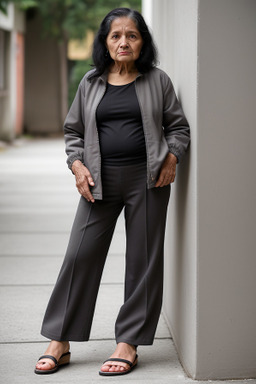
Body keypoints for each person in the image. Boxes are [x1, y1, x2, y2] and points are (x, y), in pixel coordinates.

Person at [34, 7, 190, 376]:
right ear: (105, 43)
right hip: (98, 182)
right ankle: (60, 339)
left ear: (142, 42)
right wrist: (76, 165)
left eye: (132, 35)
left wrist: (172, 157)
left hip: (148, 180)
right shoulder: (90, 83)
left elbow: (178, 128)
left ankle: (128, 343)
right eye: (116, 36)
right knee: (79, 257)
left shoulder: (158, 81)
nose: (124, 42)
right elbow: (73, 132)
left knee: (143, 261)